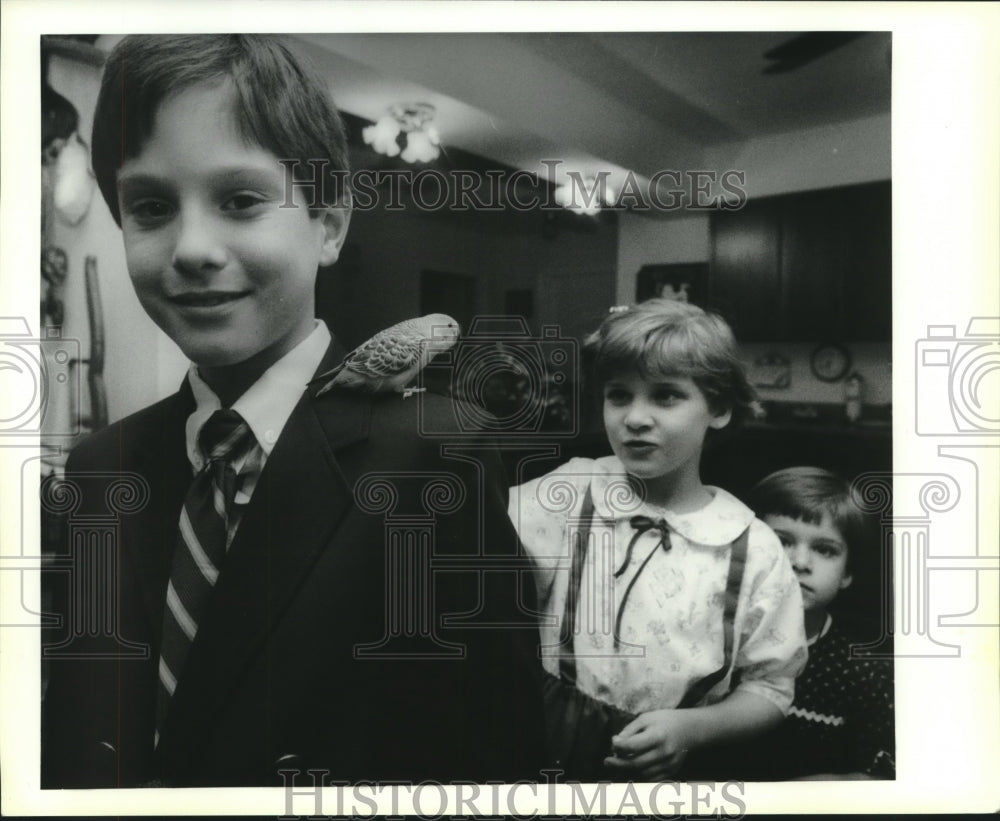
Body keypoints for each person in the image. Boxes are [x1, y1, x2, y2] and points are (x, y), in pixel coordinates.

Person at [41, 34, 544, 788]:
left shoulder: (437, 455)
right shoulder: (98, 468)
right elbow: (77, 723)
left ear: (330, 224)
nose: (192, 247)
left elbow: (491, 750)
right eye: (149, 207)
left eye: (241, 200)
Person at [508, 299, 808, 781]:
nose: (635, 418)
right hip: (543, 746)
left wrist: (693, 729)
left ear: (720, 408)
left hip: (669, 769)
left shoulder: (753, 549)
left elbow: (770, 689)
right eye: (619, 395)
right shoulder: (569, 495)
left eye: (666, 396)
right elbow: (470, 537)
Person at [735, 466, 895, 780]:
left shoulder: (862, 670)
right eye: (782, 541)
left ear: (847, 573)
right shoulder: (716, 641)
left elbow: (883, 773)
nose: (800, 562)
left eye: (824, 550)